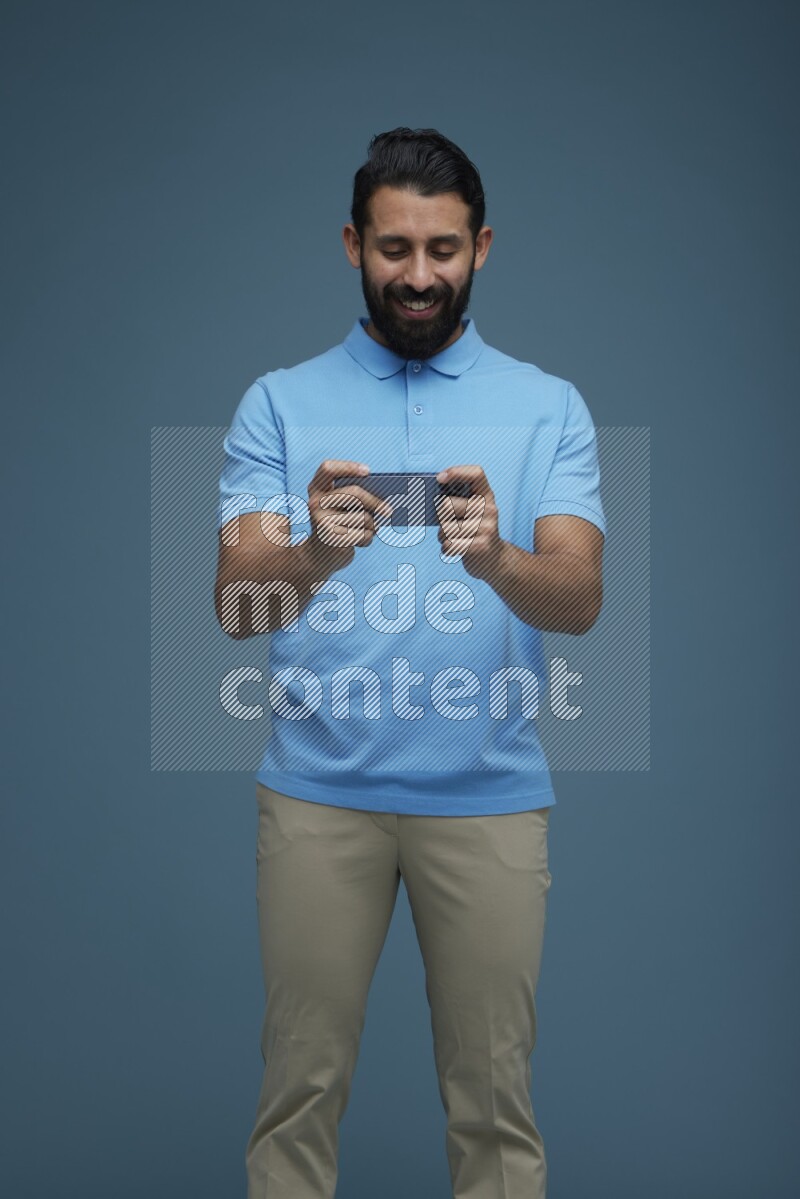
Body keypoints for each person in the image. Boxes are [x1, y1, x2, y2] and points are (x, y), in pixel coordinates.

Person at [215, 127, 605, 1199]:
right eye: (394, 249)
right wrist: (317, 548)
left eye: (442, 249)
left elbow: (577, 600)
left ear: (482, 246)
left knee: (493, 1107)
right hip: (315, 797)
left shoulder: (548, 406)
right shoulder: (277, 404)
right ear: (352, 245)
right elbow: (237, 604)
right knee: (295, 1096)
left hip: (486, 798)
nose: (418, 275)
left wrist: (495, 557)